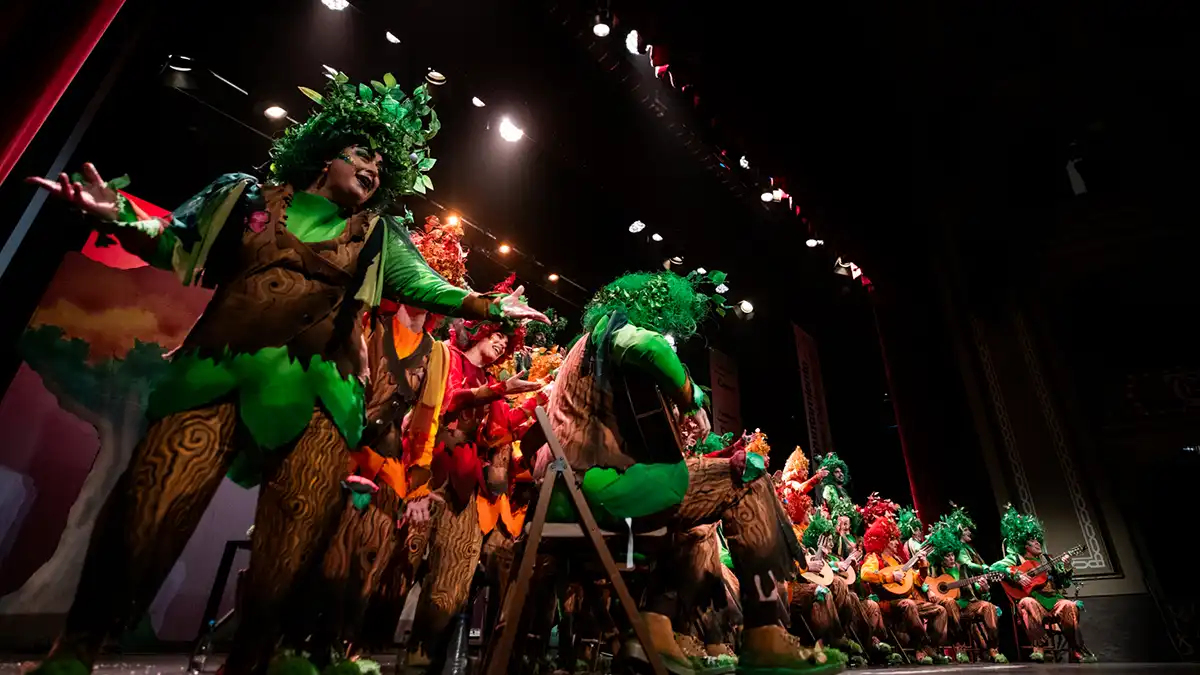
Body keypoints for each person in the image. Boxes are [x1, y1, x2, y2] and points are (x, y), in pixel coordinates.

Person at [24, 72, 546, 675]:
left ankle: (252, 661)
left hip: (322, 395)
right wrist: (116, 215)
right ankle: (78, 649)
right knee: (150, 509)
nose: (373, 169)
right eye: (363, 154)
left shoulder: (376, 233)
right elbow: (174, 243)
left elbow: (428, 287)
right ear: (326, 152)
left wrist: (488, 305)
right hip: (219, 373)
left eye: (383, 165)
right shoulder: (247, 199)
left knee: (293, 543)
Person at [540, 270, 845, 675]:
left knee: (695, 525)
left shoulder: (589, 352)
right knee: (750, 476)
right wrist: (691, 395)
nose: (667, 334)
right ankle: (766, 634)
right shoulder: (611, 330)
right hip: (595, 493)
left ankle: (655, 628)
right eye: (665, 323)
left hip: (581, 492)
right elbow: (644, 345)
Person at [407, 289, 550, 668]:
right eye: (496, 334)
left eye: (506, 340)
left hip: (468, 482)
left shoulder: (490, 382)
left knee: (455, 576)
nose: (502, 342)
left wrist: (540, 401)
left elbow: (500, 434)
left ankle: (426, 656)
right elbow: (449, 401)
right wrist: (499, 389)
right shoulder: (446, 357)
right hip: (431, 468)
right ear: (478, 330)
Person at [990, 505, 1096, 664]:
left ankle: (1076, 650)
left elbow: (1064, 583)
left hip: (1053, 601)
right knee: (1027, 602)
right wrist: (1016, 574)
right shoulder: (1016, 559)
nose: (1038, 543)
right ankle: (1039, 648)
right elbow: (994, 567)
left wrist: (1066, 566)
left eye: (1038, 539)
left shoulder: (1048, 559)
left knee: (1069, 605)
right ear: (1024, 544)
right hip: (1033, 602)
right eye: (1033, 540)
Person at [858, 517, 948, 665]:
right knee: (909, 604)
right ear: (883, 540)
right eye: (892, 539)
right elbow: (865, 574)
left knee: (940, 610)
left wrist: (923, 564)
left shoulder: (899, 561)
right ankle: (919, 646)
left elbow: (918, 580)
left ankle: (929, 647)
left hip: (905, 600)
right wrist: (890, 576)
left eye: (896, 539)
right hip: (885, 602)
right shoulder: (875, 557)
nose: (896, 543)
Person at [924, 520, 1007, 663]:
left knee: (988, 607)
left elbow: (975, 589)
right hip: (948, 607)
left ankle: (993, 648)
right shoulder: (935, 569)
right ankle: (960, 647)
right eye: (946, 555)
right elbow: (924, 582)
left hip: (967, 605)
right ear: (939, 556)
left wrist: (983, 588)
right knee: (950, 602)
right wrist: (929, 591)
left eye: (952, 554)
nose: (951, 558)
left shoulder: (963, 569)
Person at [777, 447, 827, 541]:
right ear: (796, 469)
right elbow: (800, 489)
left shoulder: (796, 482)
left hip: (802, 525)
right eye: (803, 469)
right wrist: (816, 478)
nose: (807, 472)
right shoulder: (790, 483)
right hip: (794, 528)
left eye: (806, 469)